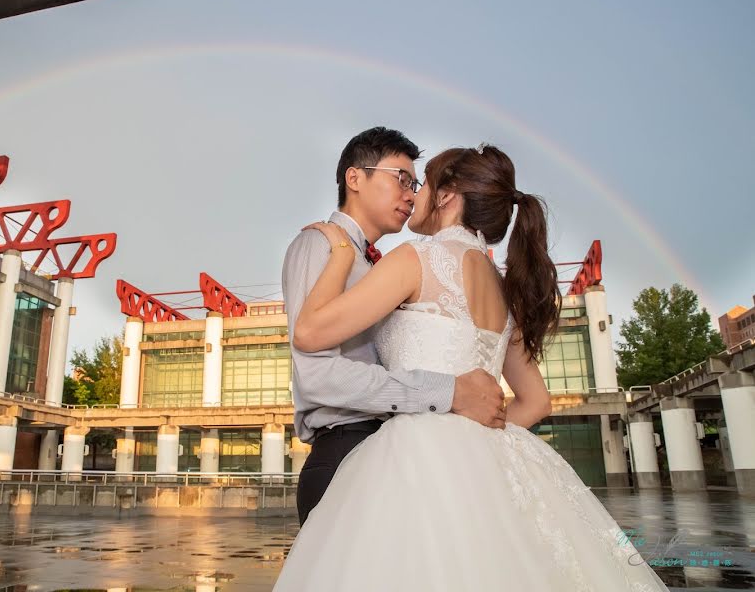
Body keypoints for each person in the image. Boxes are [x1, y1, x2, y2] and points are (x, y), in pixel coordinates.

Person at [273, 144, 669, 591]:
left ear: (447, 194)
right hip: (486, 464)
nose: (414, 193)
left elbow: (308, 333)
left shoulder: (417, 259)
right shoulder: (502, 289)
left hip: (410, 456)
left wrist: (342, 250)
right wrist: (477, 441)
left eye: (422, 183)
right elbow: (536, 401)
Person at [281, 127, 507, 527]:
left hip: (396, 451)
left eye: (415, 183)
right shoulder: (319, 245)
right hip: (344, 451)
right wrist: (449, 390)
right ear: (355, 178)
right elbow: (316, 375)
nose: (410, 193)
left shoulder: (386, 265)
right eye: (400, 178)